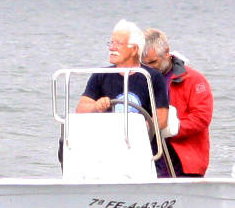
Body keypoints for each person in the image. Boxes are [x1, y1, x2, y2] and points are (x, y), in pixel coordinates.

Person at [62, 20, 170, 167]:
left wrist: (136, 131)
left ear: (134, 49)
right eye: (111, 43)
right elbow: (81, 109)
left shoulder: (152, 77)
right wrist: (95, 106)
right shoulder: (101, 75)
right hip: (105, 148)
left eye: (118, 43)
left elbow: (161, 119)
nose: (112, 48)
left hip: (140, 150)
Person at [141, 28, 213, 177]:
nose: (150, 67)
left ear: (167, 52)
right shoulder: (140, 77)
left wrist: (173, 127)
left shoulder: (194, 80)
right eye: (145, 64)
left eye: (153, 62)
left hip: (183, 158)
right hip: (149, 154)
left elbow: (202, 117)